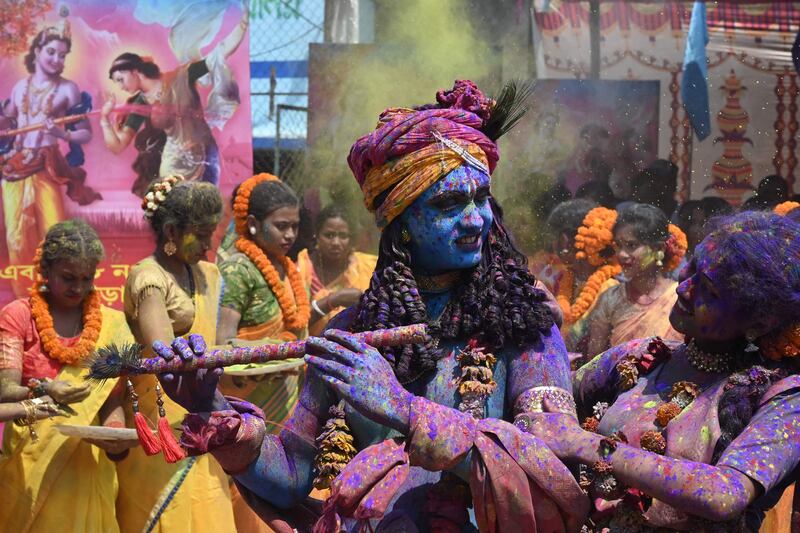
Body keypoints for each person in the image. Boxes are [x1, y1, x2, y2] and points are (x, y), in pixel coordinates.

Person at [154, 80, 588, 532]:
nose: (475, 219)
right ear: (400, 221)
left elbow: (554, 477)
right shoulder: (352, 331)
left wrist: (400, 406)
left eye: (481, 199)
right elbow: (292, 477)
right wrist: (212, 405)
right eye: (449, 203)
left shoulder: (523, 327)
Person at [526, 211, 800, 531]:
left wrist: (586, 445)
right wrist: (543, 330)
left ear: (760, 322)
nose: (684, 289)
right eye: (692, 270)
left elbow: (725, 493)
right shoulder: (642, 356)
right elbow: (549, 398)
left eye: (709, 292)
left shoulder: (784, 399)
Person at [118, 175, 235, 533]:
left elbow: (214, 344)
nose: (208, 245)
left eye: (212, 233)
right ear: (171, 232)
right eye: (200, 235)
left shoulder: (206, 274)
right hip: (163, 431)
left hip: (203, 421)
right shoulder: (149, 280)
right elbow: (166, 359)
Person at [0, 219, 134, 532]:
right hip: (29, 465)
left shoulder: (111, 325)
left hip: (86, 465)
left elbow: (110, 397)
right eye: (68, 277)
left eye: (87, 278)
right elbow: (4, 389)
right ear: (45, 272)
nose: (78, 287)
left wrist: (116, 433)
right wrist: (42, 389)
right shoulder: (19, 315)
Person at [0, 10, 101, 296]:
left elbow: (86, 134)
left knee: (53, 235)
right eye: (51, 52)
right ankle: (25, 300)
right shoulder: (20, 87)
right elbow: (6, 121)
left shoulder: (68, 90)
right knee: (17, 239)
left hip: (46, 167)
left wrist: (62, 134)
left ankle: (54, 299)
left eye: (62, 55)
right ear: (37, 51)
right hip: (16, 168)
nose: (57, 60)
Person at [99, 5, 248, 196]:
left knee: (205, 212)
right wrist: (104, 119)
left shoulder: (182, 77)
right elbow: (118, 145)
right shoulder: (140, 103)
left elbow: (220, 53)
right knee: (174, 215)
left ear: (135, 71)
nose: (120, 86)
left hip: (203, 158)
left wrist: (243, 23)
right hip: (172, 165)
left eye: (121, 79)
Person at [585, 203, 687, 358]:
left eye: (631, 245)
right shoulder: (610, 300)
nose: (622, 254)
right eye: (618, 245)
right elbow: (593, 364)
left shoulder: (680, 297)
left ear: (659, 249)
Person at [533, 200, 620, 363]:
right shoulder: (562, 279)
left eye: (556, 238)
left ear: (566, 242)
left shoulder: (609, 289)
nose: (554, 245)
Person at [298, 204, 377, 336]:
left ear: (351, 239)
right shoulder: (301, 269)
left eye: (343, 236)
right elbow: (295, 324)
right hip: (311, 350)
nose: (335, 242)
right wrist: (333, 300)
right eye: (329, 235)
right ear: (316, 235)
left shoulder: (369, 266)